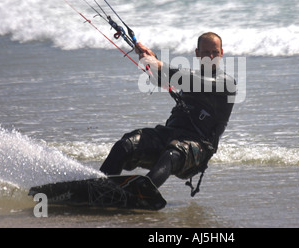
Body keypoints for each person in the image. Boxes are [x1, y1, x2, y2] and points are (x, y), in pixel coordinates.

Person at [100, 32, 236, 194]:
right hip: (169, 135)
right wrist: (149, 57)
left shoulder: (226, 83)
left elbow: (191, 80)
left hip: (197, 148)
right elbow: (160, 79)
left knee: (171, 155)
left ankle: (141, 193)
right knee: (126, 144)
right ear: (197, 54)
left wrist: (158, 63)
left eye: (215, 52)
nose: (210, 56)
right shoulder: (188, 75)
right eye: (206, 52)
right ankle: (99, 187)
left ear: (221, 53)